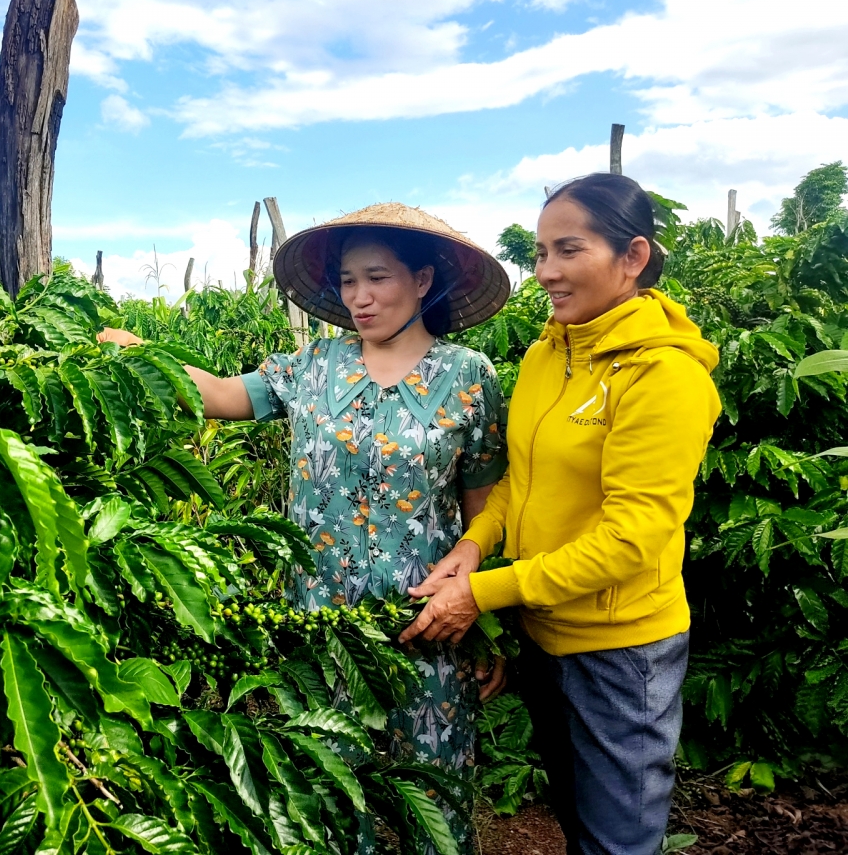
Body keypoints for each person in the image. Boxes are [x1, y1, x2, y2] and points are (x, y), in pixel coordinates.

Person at [100, 203, 512, 852]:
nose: (360, 297)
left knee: (437, 799)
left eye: (376, 277)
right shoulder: (314, 366)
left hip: (429, 624)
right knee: (330, 793)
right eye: (349, 280)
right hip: (322, 628)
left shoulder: (468, 377)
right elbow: (220, 395)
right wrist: (140, 355)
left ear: (424, 280)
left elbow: (487, 509)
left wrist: (484, 613)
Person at [400, 174, 721, 855]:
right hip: (546, 634)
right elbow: (523, 478)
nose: (545, 271)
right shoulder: (550, 353)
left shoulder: (664, 376)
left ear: (632, 257)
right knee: (583, 826)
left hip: (620, 652)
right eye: (541, 253)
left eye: (567, 250)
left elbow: (630, 539)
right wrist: (475, 545)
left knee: (618, 842)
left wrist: (480, 593)